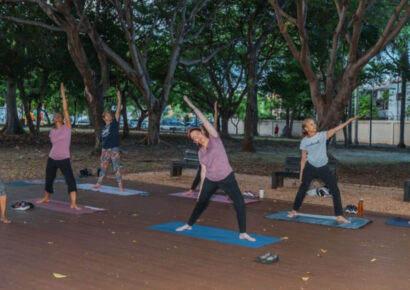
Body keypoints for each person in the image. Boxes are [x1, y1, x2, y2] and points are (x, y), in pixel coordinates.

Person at [176, 96, 256, 242]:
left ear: (201, 132)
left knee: (239, 203)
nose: (196, 137)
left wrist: (191, 104)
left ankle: (243, 232)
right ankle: (188, 224)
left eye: (197, 133)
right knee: (201, 203)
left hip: (226, 176)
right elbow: (204, 172)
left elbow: (205, 121)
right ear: (193, 140)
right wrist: (200, 192)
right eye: (193, 137)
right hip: (211, 179)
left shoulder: (214, 138)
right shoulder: (200, 153)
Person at [287, 116, 358, 223]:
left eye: (314, 123)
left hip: (323, 167)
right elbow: (303, 159)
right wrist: (301, 175)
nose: (314, 125)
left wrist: (348, 121)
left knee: (334, 189)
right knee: (302, 189)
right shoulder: (304, 141)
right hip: (310, 167)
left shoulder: (322, 136)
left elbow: (336, 129)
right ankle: (294, 211)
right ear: (306, 128)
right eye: (311, 124)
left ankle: (339, 215)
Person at [37, 83, 81, 210]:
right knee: (49, 178)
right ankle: (46, 197)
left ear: (62, 119)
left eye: (59, 116)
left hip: (64, 158)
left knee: (70, 180)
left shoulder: (67, 128)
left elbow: (66, 109)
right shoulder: (52, 131)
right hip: (52, 158)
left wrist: (63, 94)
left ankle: (73, 203)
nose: (56, 116)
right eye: (55, 116)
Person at [93, 90, 124, 192]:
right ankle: (98, 183)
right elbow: (102, 139)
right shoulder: (102, 128)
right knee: (103, 167)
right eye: (107, 115)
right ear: (103, 118)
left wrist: (119, 98)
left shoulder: (114, 123)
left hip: (114, 148)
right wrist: (103, 148)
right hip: (105, 149)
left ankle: (120, 185)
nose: (109, 116)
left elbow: (118, 111)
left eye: (110, 115)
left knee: (116, 166)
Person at [185, 101, 218, 195]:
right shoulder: (199, 139)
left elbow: (215, 124)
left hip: (214, 160)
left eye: (202, 130)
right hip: (205, 159)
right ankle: (192, 189)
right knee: (200, 174)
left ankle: (229, 193)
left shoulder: (211, 136)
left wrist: (216, 111)